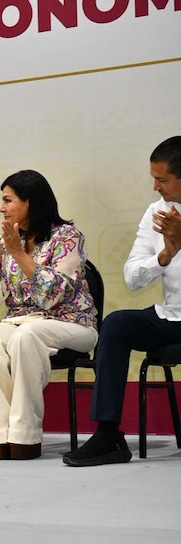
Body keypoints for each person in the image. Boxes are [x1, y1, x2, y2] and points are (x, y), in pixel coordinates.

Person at [64, 136, 181, 467]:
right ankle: (108, 436)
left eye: (162, 179)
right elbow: (132, 277)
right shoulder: (156, 213)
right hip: (173, 317)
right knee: (116, 324)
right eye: (153, 178)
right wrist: (164, 255)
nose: (155, 186)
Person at [0, 170, 97, 460]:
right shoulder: (11, 241)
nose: (1, 208)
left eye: (8, 200)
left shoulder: (67, 237)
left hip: (72, 323)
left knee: (26, 336)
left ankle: (25, 435)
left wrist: (19, 255)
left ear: (30, 201)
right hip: (23, 322)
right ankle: (0, 436)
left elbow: (52, 295)